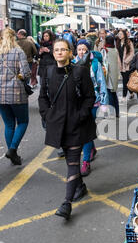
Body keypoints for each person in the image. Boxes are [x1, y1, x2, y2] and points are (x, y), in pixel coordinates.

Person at [38, 38, 97, 220]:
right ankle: (80, 186)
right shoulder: (48, 72)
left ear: (70, 53)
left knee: (72, 163)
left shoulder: (80, 71)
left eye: (63, 49)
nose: (60, 52)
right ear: (53, 53)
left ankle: (66, 203)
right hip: (58, 126)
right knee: (70, 162)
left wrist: (80, 115)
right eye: (57, 50)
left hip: (76, 125)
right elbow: (42, 97)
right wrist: (47, 115)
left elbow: (90, 97)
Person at [72, 38, 108, 177]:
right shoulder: (73, 63)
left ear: (88, 50)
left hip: (94, 101)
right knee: (86, 129)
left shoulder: (95, 64)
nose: (81, 52)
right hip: (78, 103)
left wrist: (104, 103)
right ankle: (91, 149)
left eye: (84, 50)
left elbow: (101, 83)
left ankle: (86, 161)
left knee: (86, 129)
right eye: (79, 49)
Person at [0, 27, 31, 165]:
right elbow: (26, 73)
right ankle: (12, 150)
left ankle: (13, 154)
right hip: (16, 92)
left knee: (9, 124)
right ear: (14, 37)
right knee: (23, 121)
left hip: (0, 94)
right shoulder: (18, 52)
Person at [103, 34, 121, 118]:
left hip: (108, 75)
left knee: (109, 94)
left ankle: (112, 113)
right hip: (114, 75)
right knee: (114, 94)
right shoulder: (115, 49)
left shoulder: (105, 50)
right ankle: (117, 112)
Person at [116, 29, 135, 102]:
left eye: (121, 34)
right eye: (119, 34)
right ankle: (131, 93)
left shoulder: (129, 42)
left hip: (127, 65)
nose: (119, 35)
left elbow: (132, 53)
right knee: (127, 80)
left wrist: (126, 61)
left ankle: (124, 97)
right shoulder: (117, 43)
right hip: (120, 65)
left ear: (124, 34)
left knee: (125, 80)